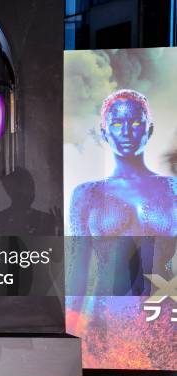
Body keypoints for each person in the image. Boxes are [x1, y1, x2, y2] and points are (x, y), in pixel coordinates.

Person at [69, 89, 176, 295]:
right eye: (117, 124)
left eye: (136, 123)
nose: (126, 131)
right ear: (104, 132)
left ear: (149, 130)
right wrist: (73, 322)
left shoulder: (173, 189)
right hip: (104, 314)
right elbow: (77, 271)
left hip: (164, 311)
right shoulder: (85, 194)